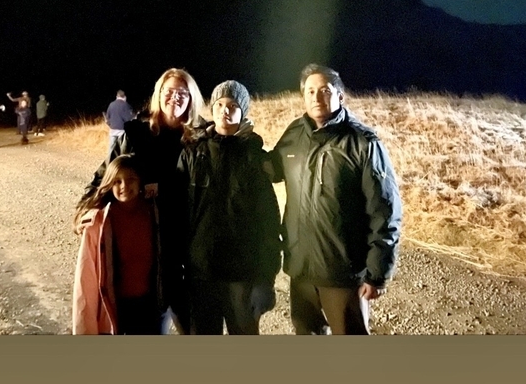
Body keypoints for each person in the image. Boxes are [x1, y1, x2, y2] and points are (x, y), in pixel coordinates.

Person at [269, 64, 402, 335]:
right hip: (301, 269)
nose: (317, 98)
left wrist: (377, 273)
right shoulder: (295, 133)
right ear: (303, 96)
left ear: (340, 96)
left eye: (325, 91)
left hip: (342, 272)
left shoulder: (363, 143)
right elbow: (270, 169)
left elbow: (384, 210)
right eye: (310, 91)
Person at [79, 68, 206, 335]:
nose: (175, 98)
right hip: (150, 248)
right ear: (158, 95)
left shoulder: (200, 141)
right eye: (169, 92)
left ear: (192, 97)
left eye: (182, 93)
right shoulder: (136, 135)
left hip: (189, 245)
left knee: (197, 329)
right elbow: (108, 174)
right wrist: (86, 208)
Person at [175, 80, 281, 335]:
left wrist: (266, 277)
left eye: (232, 105)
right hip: (200, 275)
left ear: (242, 111)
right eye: (220, 104)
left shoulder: (254, 157)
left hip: (242, 276)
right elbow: (177, 215)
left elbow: (268, 220)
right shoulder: (192, 153)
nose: (225, 110)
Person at [72, 155, 160, 335]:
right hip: (114, 307)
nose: (124, 187)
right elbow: (86, 275)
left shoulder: (154, 213)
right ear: (109, 185)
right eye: (117, 181)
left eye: (131, 180)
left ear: (140, 181)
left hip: (148, 305)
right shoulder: (99, 223)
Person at [103, 90, 135, 160]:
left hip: (113, 130)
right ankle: (121, 164)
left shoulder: (111, 104)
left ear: (116, 97)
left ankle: (110, 164)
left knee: (111, 149)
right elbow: (129, 118)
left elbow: (107, 119)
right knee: (123, 150)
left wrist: (110, 125)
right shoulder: (126, 105)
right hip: (122, 130)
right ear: (124, 97)